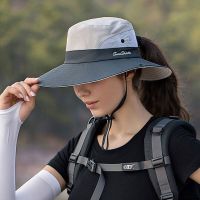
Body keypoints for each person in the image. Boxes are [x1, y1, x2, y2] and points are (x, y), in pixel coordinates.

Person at [0, 17, 199, 200]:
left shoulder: (173, 142)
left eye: (92, 76)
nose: (81, 91)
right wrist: (8, 119)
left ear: (128, 72)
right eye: (76, 79)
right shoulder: (80, 148)